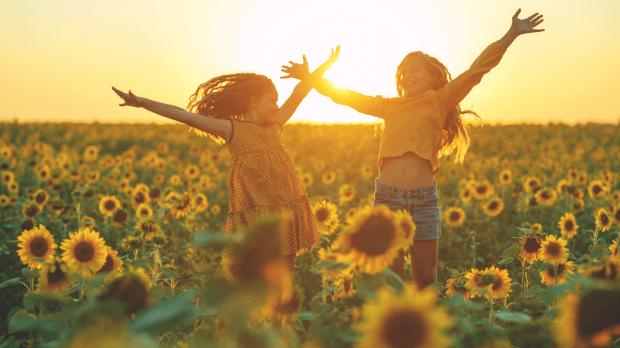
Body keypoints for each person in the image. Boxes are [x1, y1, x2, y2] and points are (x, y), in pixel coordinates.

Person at [281, 9, 544, 289]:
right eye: (402, 72)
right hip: (387, 199)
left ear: (433, 76)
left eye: (414, 70)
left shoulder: (441, 99)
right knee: (392, 278)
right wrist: (310, 77)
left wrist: (511, 34)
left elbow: (477, 70)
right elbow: (347, 97)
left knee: (426, 278)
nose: (407, 75)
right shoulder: (389, 105)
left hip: (424, 201)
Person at [112, 46, 340, 281]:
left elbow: (300, 92)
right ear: (254, 102)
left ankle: (281, 317)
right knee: (255, 278)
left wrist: (325, 66)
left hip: (287, 211)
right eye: (272, 100)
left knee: (285, 280)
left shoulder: (275, 126)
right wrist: (142, 102)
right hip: (256, 216)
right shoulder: (232, 130)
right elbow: (183, 115)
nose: (276, 106)